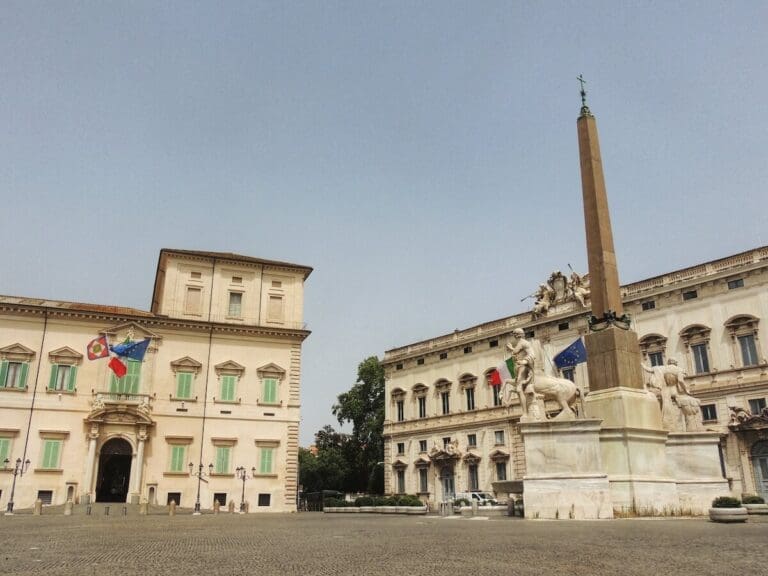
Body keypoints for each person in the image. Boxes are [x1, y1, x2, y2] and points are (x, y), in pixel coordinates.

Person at [506, 328, 536, 412]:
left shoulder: (523, 343)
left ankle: (525, 412)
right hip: (520, 366)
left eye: (514, 334)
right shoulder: (521, 343)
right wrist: (511, 349)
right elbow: (516, 352)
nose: (514, 336)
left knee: (519, 389)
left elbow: (532, 354)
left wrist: (524, 361)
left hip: (524, 366)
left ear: (517, 335)